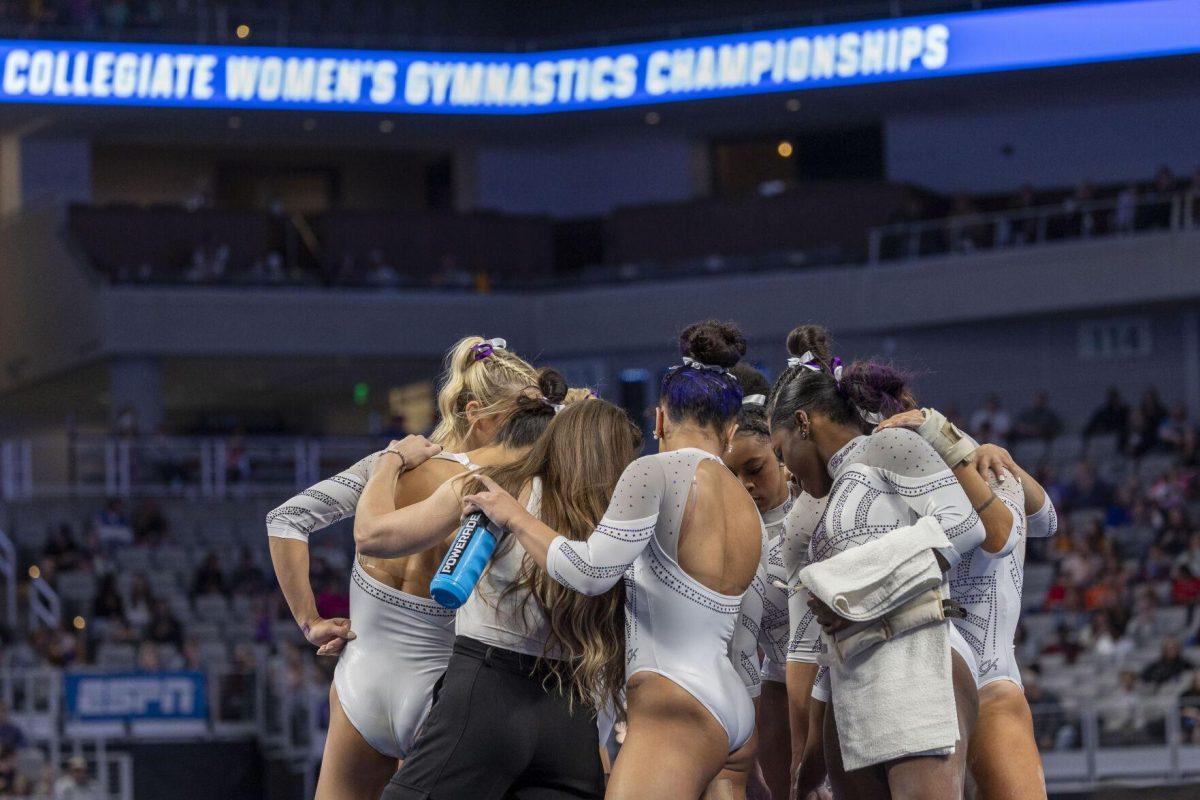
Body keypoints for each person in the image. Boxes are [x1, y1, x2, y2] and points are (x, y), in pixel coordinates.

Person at [460, 320, 764, 800]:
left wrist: (514, 515)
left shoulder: (655, 470)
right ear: (730, 431)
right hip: (732, 707)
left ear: (660, 418)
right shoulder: (749, 504)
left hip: (674, 705)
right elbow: (749, 623)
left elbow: (590, 572)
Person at [266, 336, 542, 800]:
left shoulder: (388, 466)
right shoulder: (507, 488)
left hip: (361, 686)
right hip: (442, 693)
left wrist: (309, 622)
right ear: (478, 415)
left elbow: (286, 519)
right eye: (520, 422)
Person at [354, 398, 643, 800]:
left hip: (486, 696)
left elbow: (372, 535)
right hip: (574, 719)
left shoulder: (493, 488)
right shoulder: (622, 526)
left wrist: (389, 460)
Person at [766, 326, 988, 800]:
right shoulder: (818, 505)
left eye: (781, 451)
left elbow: (965, 525)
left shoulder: (884, 447)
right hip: (853, 682)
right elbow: (814, 627)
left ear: (803, 423)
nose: (786, 469)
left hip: (916, 662)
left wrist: (853, 590)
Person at [724, 363, 798, 800]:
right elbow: (739, 648)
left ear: (781, 454)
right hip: (777, 687)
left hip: (846, 683)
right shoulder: (729, 535)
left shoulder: (826, 502)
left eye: (755, 468)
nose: (745, 485)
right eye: (731, 474)